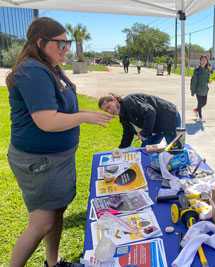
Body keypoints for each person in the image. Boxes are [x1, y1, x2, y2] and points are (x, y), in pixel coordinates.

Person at [6, 17, 113, 267]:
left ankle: (53, 263)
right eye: (61, 43)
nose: (67, 48)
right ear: (41, 42)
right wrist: (85, 116)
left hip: (57, 159)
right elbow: (47, 121)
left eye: (68, 43)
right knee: (42, 222)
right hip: (39, 161)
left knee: (57, 212)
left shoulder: (49, 66)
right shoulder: (32, 70)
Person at [98, 93, 181, 148]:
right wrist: (121, 150)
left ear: (114, 100)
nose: (109, 111)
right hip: (158, 125)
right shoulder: (123, 116)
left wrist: (144, 134)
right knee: (145, 147)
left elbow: (150, 112)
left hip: (169, 117)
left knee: (173, 151)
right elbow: (127, 134)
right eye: (106, 110)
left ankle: (181, 170)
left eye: (108, 107)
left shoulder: (129, 101)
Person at [190, 55, 211, 123]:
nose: (204, 61)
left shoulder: (207, 70)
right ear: (200, 61)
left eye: (205, 60)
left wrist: (209, 80)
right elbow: (194, 81)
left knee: (204, 103)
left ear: (207, 61)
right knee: (199, 103)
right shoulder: (197, 70)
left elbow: (207, 79)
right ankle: (200, 118)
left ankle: (196, 110)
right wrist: (193, 90)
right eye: (202, 60)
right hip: (198, 90)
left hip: (205, 90)